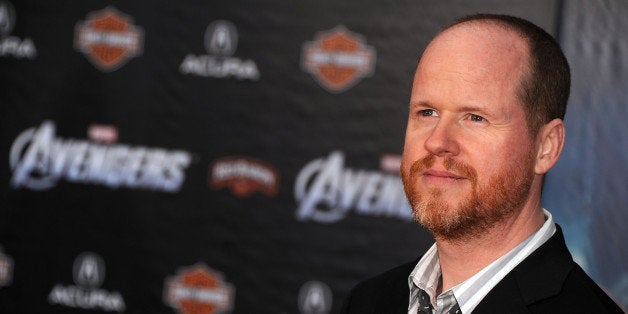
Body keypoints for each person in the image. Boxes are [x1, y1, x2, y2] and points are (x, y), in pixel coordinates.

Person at [341, 14, 623, 314]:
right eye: (427, 112)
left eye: (475, 117)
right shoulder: (369, 301)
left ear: (546, 147)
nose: (438, 141)